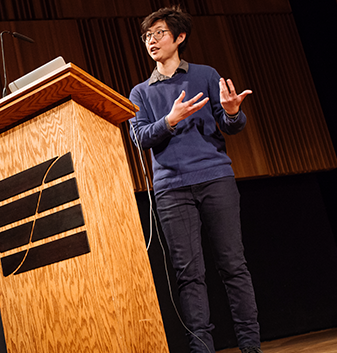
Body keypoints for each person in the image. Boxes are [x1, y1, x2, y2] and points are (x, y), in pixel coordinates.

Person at [128, 6, 262, 353]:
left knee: (233, 265)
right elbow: (140, 137)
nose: (152, 41)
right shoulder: (141, 92)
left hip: (215, 177)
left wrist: (232, 112)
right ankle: (202, 349)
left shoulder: (205, 75)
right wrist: (170, 120)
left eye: (159, 33)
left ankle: (251, 347)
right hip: (172, 189)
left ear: (180, 37)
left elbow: (230, 125)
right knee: (189, 275)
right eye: (147, 36)